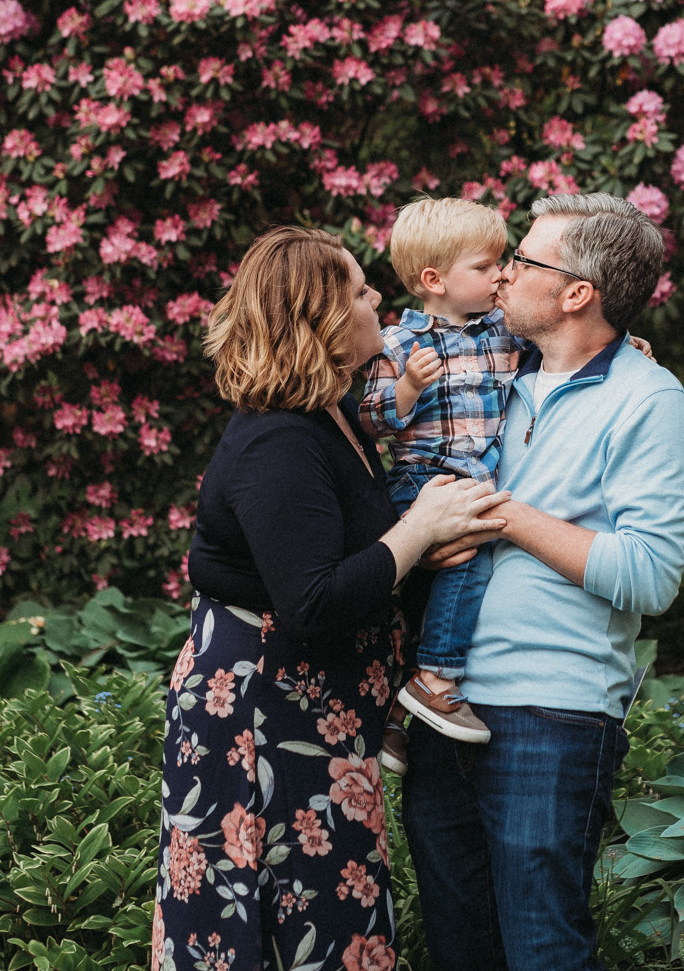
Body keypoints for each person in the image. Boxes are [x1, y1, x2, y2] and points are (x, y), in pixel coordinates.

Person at [153, 225, 510, 971]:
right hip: (260, 726)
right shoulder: (278, 441)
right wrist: (418, 530)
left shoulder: (332, 412)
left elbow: (348, 550)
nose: (378, 295)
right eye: (358, 290)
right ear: (322, 320)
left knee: (327, 914)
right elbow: (311, 600)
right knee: (276, 922)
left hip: (312, 722)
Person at [401, 193, 684, 971]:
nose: (502, 275)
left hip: (552, 716)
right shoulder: (499, 376)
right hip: (444, 707)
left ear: (577, 293)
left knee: (543, 952)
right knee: (461, 952)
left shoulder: (649, 399)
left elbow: (648, 573)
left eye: (525, 261)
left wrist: (498, 513)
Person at [358, 198, 524, 757]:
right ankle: (437, 678)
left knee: (424, 594)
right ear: (434, 280)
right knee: (465, 559)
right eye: (485, 266)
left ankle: (393, 715)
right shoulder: (398, 343)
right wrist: (406, 388)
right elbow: (367, 416)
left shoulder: (506, 331)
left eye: (502, 261)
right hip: (422, 480)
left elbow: (562, 350)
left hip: (473, 477)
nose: (502, 273)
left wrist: (624, 349)